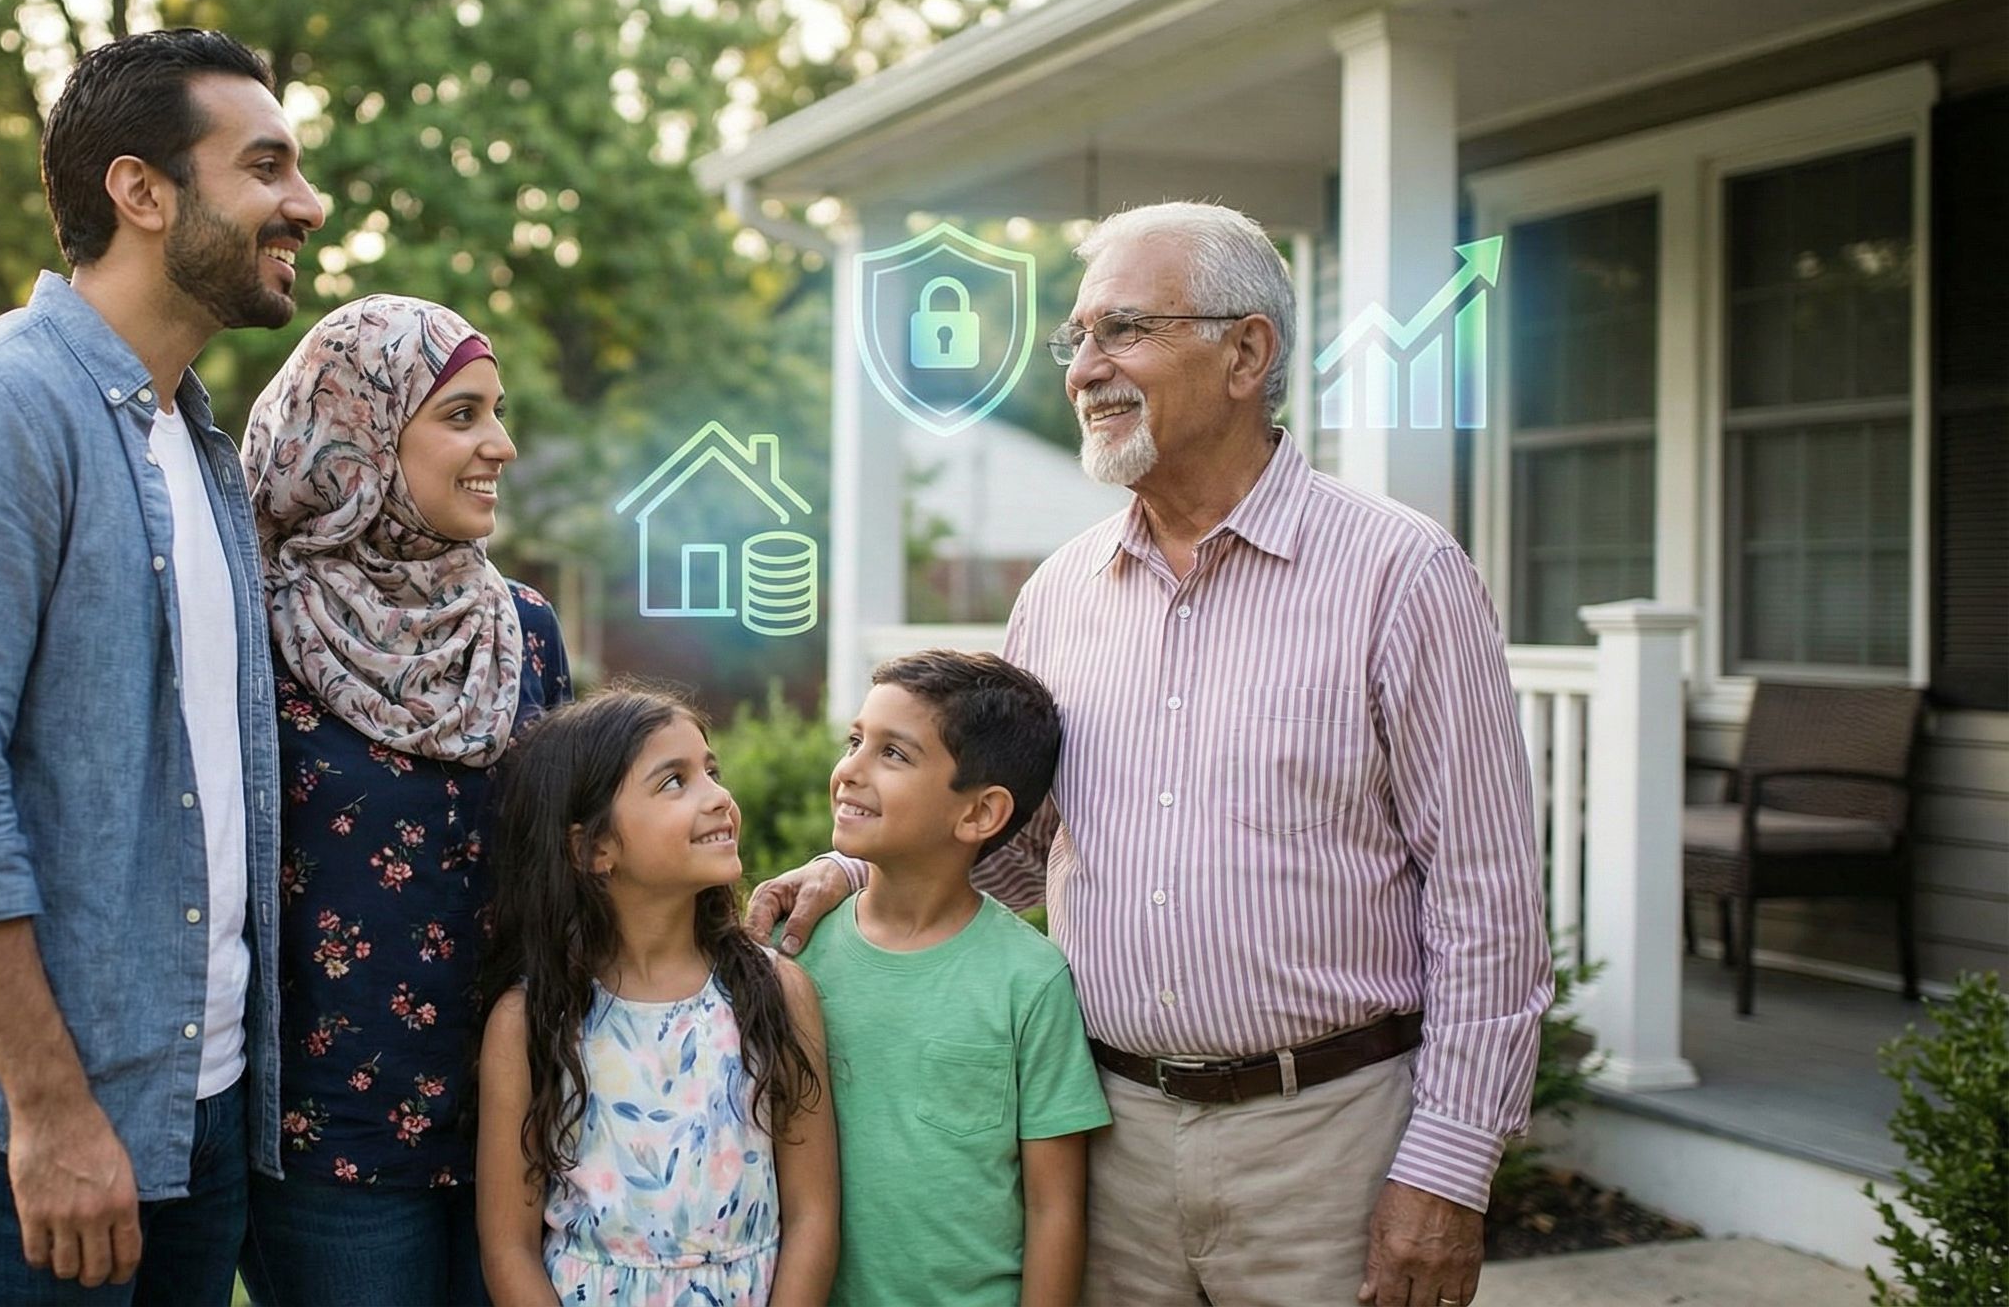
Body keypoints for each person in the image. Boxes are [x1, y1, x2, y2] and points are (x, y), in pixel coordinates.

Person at [754, 201, 1552, 1307]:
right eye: (1076, 338)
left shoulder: (1398, 576)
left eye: (1123, 330)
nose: (1085, 368)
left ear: (1246, 353)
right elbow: (1010, 843)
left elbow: (1486, 898)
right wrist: (849, 877)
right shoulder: (1059, 595)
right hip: (1106, 1138)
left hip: (1327, 1147)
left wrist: (1449, 1170)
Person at [0, 26, 322, 1304]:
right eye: (265, 167)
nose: (305, 205)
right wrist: (49, 1112)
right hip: (7, 1127)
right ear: (141, 192)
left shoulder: (199, 448)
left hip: (190, 1108)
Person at [232, 294, 572, 1306]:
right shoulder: (253, 624)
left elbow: (574, 868)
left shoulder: (524, 630)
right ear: (360, 432)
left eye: (497, 411)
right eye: (461, 414)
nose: (500, 445)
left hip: (520, 1129)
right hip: (328, 1149)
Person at [474, 690, 840, 1307]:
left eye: (712, 771)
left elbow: (813, 1220)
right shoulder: (530, 1023)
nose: (719, 798)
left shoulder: (775, 993)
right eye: (675, 781)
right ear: (593, 849)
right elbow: (508, 1247)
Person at [801, 649, 1108, 1307]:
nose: (850, 770)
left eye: (893, 754)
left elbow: (1055, 1209)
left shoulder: (1030, 978)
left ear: (978, 814)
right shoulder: (795, 950)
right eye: (856, 740)